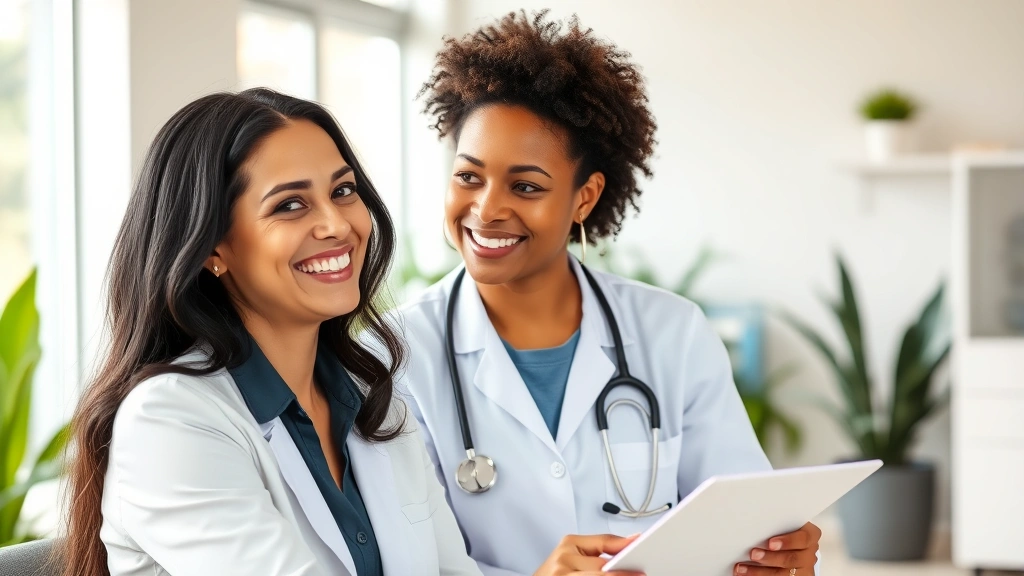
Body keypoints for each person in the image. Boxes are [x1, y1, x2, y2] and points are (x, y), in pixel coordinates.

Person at [398, 11, 821, 576]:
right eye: (468, 176)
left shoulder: (673, 331)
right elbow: (404, 560)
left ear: (584, 197)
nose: (487, 209)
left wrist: (776, 553)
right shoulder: (397, 353)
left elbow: (739, 516)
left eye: (525, 186)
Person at [61, 89, 482, 576]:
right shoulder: (170, 421)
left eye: (343, 191)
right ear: (211, 248)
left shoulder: (372, 399)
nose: (337, 225)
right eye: (290, 205)